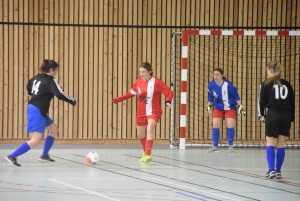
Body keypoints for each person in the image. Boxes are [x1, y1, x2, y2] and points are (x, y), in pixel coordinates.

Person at [4, 59, 76, 167]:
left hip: (36, 109)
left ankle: (44, 155)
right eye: (56, 70)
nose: (56, 72)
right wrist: (72, 100)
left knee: (54, 130)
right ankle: (12, 156)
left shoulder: (37, 77)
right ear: (51, 69)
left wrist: (30, 93)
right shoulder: (51, 80)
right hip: (37, 110)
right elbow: (59, 94)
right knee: (36, 140)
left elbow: (29, 84)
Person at [112, 62, 173, 163]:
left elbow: (169, 92)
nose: (141, 74)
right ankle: (146, 150)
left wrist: (168, 101)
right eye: (140, 72)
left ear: (150, 72)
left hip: (154, 111)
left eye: (144, 72)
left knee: (149, 129)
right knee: (140, 134)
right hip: (141, 111)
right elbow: (130, 94)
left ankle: (147, 155)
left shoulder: (157, 82)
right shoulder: (138, 82)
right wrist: (118, 99)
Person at [258, 61, 295, 179]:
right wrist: (291, 118)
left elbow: (261, 102)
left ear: (271, 70)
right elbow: (292, 103)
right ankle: (278, 171)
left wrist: (262, 115)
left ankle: (271, 170)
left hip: (273, 115)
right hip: (286, 116)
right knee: (281, 145)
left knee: (270, 143)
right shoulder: (287, 84)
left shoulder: (266, 84)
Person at [206, 68, 246, 153]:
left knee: (230, 125)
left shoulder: (228, 85)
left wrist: (240, 107)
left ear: (222, 75)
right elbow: (210, 97)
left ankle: (230, 146)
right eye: (214, 74)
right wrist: (209, 107)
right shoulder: (211, 85)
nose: (215, 76)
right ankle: (215, 146)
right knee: (215, 125)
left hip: (230, 107)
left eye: (217, 74)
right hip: (218, 107)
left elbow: (236, 96)